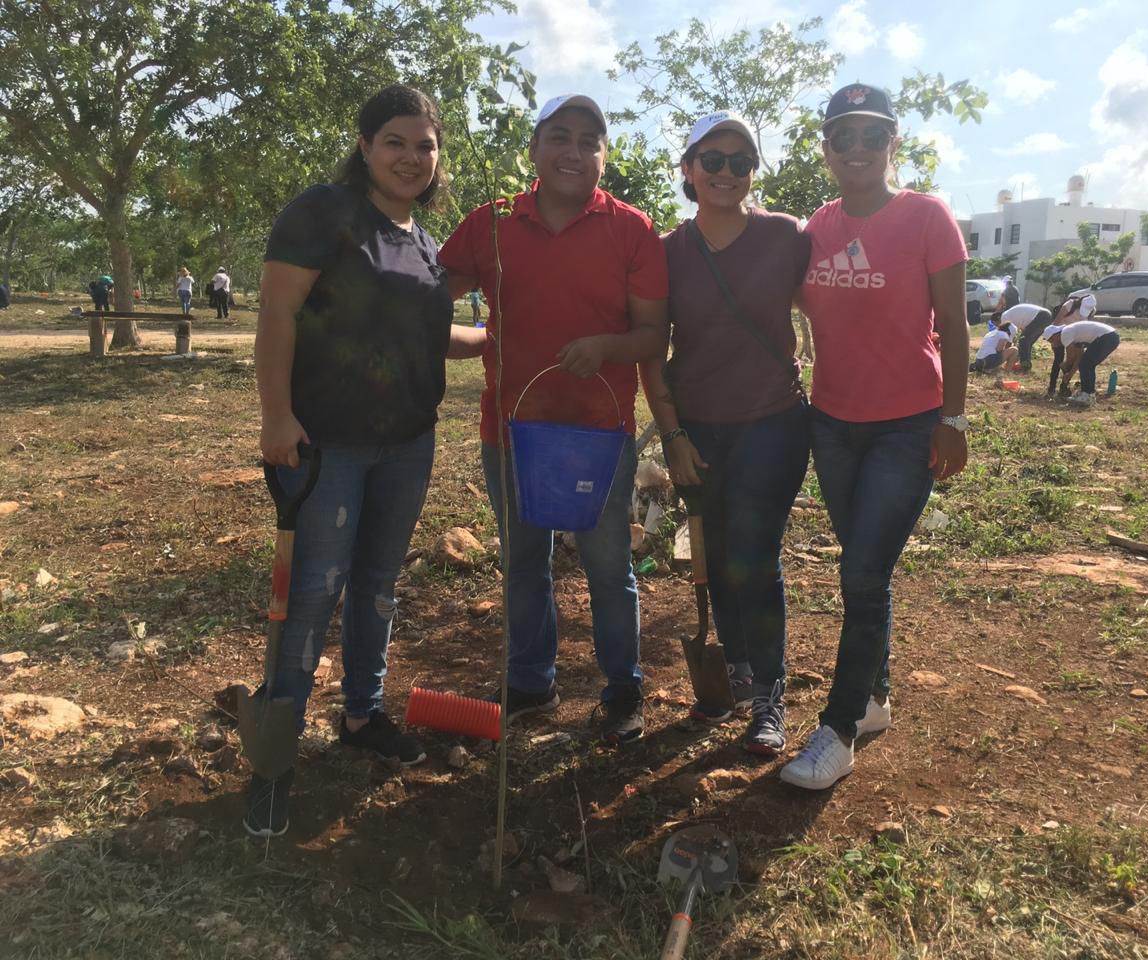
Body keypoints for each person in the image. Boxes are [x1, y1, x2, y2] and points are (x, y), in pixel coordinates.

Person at [248, 84, 459, 838]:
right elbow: (277, 312)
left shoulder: (424, 241)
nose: (411, 157)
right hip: (326, 444)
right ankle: (274, 758)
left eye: (425, 146)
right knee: (314, 592)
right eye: (395, 142)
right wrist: (277, 415)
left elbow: (428, 336)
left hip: (408, 443)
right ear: (366, 145)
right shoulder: (324, 213)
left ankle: (363, 715)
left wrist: (510, 342)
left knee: (377, 585)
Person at [439, 94, 668, 745]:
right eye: (560, 137)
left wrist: (606, 347)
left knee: (608, 565)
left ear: (604, 156)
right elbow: (428, 290)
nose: (575, 151)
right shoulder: (492, 222)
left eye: (590, 141)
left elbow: (653, 336)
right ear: (534, 148)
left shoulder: (632, 229)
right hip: (512, 429)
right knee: (523, 559)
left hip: (599, 433)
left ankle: (623, 687)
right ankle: (531, 681)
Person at [782, 83, 969, 790]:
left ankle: (837, 729)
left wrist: (954, 418)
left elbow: (954, 327)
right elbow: (780, 300)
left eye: (871, 135)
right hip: (832, 424)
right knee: (867, 569)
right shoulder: (816, 228)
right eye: (843, 136)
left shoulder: (927, 217)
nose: (856, 148)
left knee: (861, 573)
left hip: (907, 425)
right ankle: (876, 698)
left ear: (894, 143)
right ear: (827, 149)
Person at [640, 111, 810, 756]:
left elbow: (832, 307)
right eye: (712, 160)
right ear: (688, 170)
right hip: (700, 427)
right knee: (716, 554)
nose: (727, 172)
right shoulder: (666, 253)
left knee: (755, 556)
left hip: (774, 422)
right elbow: (652, 354)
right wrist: (673, 435)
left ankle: (768, 694)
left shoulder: (785, 235)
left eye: (741, 161)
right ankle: (736, 665)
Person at [1044, 319, 1120, 407]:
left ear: (1054, 335)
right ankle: (1089, 394)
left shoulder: (1065, 334)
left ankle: (1087, 394)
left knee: (1086, 365)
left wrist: (1065, 364)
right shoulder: (1074, 335)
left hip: (1106, 337)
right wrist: (1069, 375)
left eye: (1051, 340)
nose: (1054, 344)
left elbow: (1070, 357)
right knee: (1087, 365)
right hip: (1111, 336)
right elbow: (1079, 359)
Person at [999, 301, 1054, 371]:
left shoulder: (1004, 318)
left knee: (1023, 340)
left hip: (1040, 316)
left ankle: (1024, 366)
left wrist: (1006, 356)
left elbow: (1009, 342)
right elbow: (1022, 331)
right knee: (1027, 342)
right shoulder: (1011, 315)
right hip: (1046, 315)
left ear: (998, 319)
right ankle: (1026, 364)